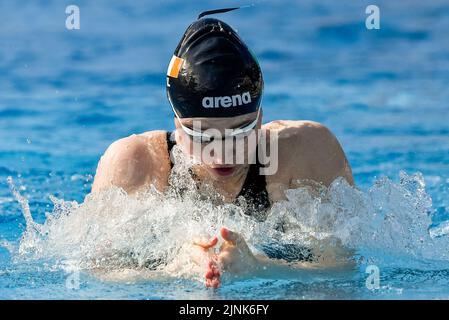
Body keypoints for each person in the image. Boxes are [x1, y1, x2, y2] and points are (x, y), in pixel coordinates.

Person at [91, 16, 354, 288]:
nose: (222, 155)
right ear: (178, 125)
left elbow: (343, 271)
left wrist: (260, 266)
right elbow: (99, 275)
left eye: (240, 132)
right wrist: (176, 267)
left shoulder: (306, 151)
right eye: (203, 136)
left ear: (260, 118)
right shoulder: (136, 163)